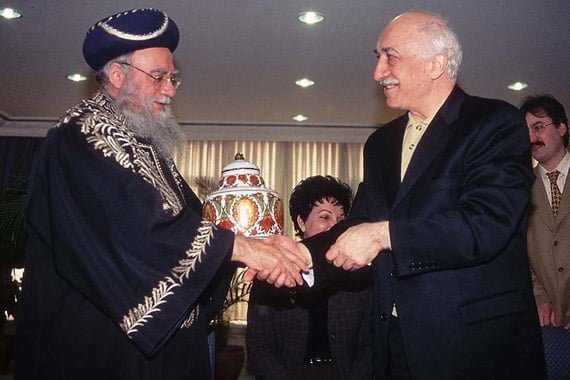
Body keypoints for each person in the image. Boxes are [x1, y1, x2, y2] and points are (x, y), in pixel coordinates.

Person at [14, 8, 307, 380]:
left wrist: (258, 245)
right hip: (97, 353)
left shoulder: (149, 149)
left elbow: (191, 225)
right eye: (158, 77)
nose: (169, 89)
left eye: (173, 78)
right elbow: (138, 231)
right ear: (117, 75)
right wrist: (245, 250)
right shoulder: (81, 136)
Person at [278, 11, 546, 380]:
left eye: (391, 55)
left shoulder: (494, 122)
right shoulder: (380, 143)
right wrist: (301, 256)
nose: (378, 72)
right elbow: (359, 224)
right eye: (378, 57)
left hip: (476, 346)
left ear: (436, 63)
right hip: (393, 344)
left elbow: (486, 225)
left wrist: (382, 234)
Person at [246, 175, 373, 380]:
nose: (335, 227)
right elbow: (259, 347)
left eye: (341, 220)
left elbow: (369, 345)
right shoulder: (273, 274)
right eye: (325, 217)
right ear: (302, 222)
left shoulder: (360, 276)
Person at [520, 94, 570, 330]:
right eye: (527, 130)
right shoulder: (519, 191)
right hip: (549, 324)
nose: (531, 137)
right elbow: (518, 252)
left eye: (538, 127)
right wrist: (538, 295)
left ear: (561, 127)